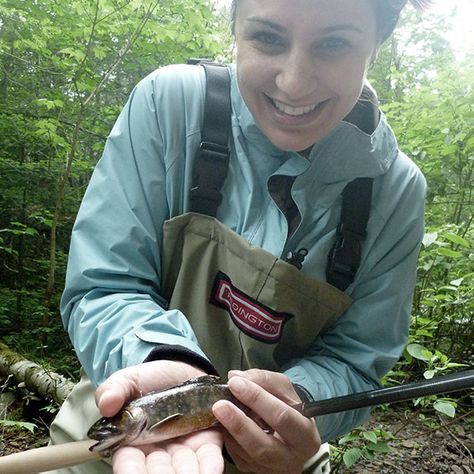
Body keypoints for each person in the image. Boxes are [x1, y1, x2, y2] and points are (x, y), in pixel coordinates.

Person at [47, 0, 430, 473]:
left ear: (376, 45)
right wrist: (164, 362)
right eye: (268, 38)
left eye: (333, 44)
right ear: (234, 28)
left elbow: (355, 361)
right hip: (124, 408)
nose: (294, 81)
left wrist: (299, 401)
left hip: (281, 450)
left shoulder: (396, 192)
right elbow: (104, 284)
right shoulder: (169, 106)